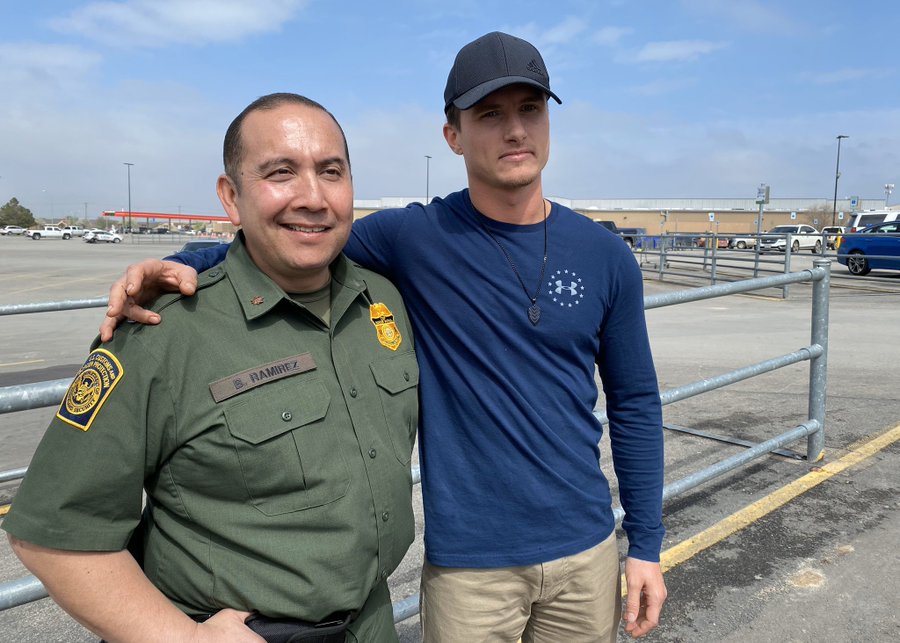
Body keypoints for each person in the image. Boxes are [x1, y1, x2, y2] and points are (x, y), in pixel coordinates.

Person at [101, 32, 667, 641]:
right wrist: (175, 264)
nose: (515, 132)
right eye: (490, 114)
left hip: (585, 549)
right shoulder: (414, 238)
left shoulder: (606, 256)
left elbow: (634, 402)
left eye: (530, 109)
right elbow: (286, 241)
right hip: (471, 567)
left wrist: (647, 545)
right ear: (452, 135)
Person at [3, 93, 419, 643]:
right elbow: (54, 531)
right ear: (231, 197)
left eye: (331, 171)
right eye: (281, 172)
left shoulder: (382, 301)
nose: (313, 197)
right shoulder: (164, 331)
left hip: (371, 624)